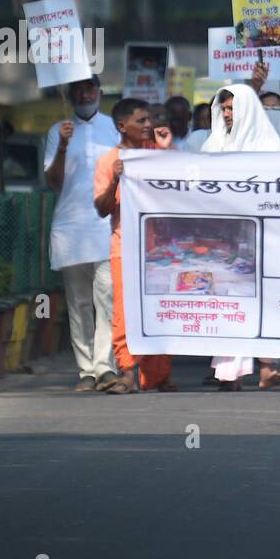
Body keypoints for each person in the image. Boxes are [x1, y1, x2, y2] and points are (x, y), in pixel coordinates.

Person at [200, 83, 280, 391]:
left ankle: (268, 365)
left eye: (232, 108)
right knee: (227, 299)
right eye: (223, 108)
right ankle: (229, 372)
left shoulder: (270, 148)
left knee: (264, 300)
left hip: (263, 238)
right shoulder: (212, 146)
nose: (226, 114)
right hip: (223, 240)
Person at [93, 98, 177, 394]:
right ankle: (127, 370)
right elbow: (102, 209)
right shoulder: (109, 160)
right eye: (141, 121)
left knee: (160, 311)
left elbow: (182, 187)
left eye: (149, 119)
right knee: (125, 314)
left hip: (162, 250)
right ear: (121, 126)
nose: (149, 125)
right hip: (124, 248)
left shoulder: (156, 153)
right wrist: (115, 180)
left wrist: (167, 151)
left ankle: (158, 374)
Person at [43, 76, 120, 391]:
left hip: (106, 225)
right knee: (78, 303)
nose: (85, 94)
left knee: (108, 298)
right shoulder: (57, 130)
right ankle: (86, 370)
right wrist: (62, 146)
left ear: (100, 92)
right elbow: (54, 183)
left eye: (90, 88)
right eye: (79, 89)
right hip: (71, 228)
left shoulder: (114, 127)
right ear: (70, 93)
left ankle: (105, 367)